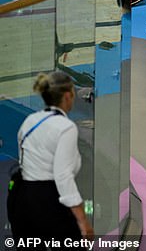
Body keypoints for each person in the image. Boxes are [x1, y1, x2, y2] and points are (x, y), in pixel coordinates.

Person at [7, 71, 94, 246]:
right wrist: (83, 221)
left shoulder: (30, 120)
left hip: (21, 197)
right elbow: (63, 177)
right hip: (48, 200)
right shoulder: (66, 127)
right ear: (68, 96)